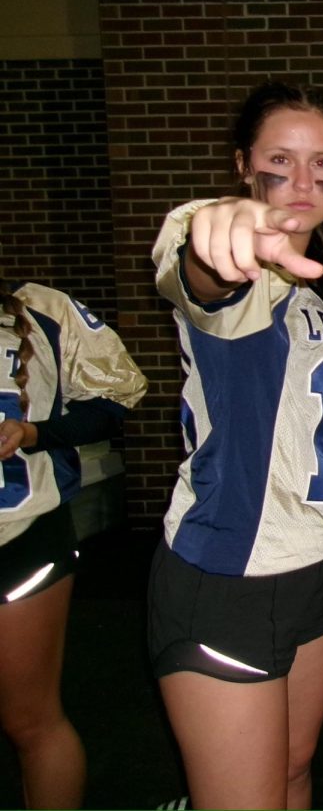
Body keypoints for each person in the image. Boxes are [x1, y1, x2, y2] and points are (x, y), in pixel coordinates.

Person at [148, 82, 323, 809]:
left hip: (322, 565)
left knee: (294, 773)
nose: (304, 182)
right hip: (231, 579)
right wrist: (216, 233)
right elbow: (200, 271)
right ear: (244, 165)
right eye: (281, 160)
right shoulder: (242, 277)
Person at [0, 278, 146, 809]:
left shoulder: (43, 309)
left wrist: (33, 432)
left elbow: (114, 404)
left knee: (30, 721)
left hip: (21, 536)